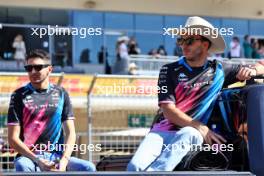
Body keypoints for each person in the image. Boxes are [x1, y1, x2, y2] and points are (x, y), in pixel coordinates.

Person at [127, 16, 264, 171]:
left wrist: (251, 70)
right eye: (181, 40)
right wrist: (201, 127)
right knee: (134, 167)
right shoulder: (168, 69)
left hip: (191, 134)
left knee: (189, 133)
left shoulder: (219, 70)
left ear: (205, 44)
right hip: (162, 132)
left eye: (190, 40)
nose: (184, 45)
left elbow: (262, 66)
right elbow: (168, 111)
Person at [7, 49, 96, 172]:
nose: (33, 71)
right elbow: (12, 139)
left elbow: (71, 133)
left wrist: (64, 161)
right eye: (29, 68)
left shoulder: (61, 93)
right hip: (29, 158)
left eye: (38, 67)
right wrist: (37, 160)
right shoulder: (18, 95)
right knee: (23, 166)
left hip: (57, 157)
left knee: (88, 168)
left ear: (50, 69)